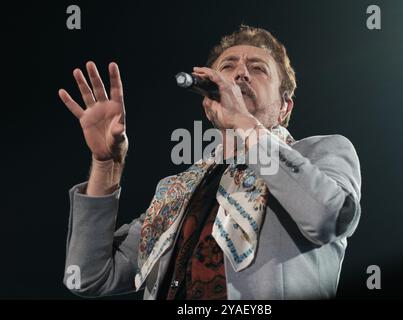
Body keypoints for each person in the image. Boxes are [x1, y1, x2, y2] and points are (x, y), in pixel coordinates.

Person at [59, 25, 361, 300]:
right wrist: (106, 164)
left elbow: (329, 218)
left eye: (258, 69)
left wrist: (244, 122)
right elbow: (88, 277)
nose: (240, 73)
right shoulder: (177, 194)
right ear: (208, 102)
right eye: (228, 67)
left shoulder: (321, 152)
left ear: (285, 107)